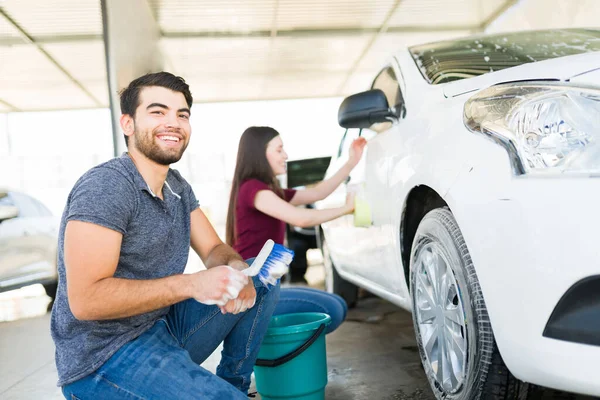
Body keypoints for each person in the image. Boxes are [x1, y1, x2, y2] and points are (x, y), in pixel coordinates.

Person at [51, 72, 278, 399]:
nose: (173, 122)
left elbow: (213, 247)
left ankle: (234, 386)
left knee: (263, 275)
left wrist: (236, 271)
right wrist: (192, 283)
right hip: (103, 359)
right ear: (127, 124)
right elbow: (86, 301)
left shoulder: (176, 186)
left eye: (182, 114)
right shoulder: (107, 186)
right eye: (158, 112)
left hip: (162, 329)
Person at [226, 126, 367, 334]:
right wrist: (347, 209)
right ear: (259, 153)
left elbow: (318, 193)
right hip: (253, 292)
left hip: (266, 288)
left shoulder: (269, 191)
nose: (286, 155)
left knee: (338, 305)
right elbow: (301, 219)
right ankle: (262, 339)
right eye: (279, 149)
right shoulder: (253, 189)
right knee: (334, 309)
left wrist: (351, 162)